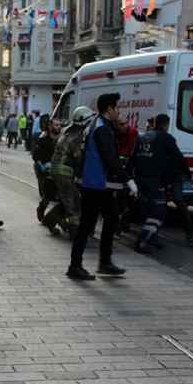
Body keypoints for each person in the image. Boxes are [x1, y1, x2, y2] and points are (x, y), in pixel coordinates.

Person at [69, 94, 135, 280]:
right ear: (109, 109)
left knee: (111, 217)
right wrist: (128, 180)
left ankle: (104, 262)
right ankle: (76, 266)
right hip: (94, 183)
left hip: (97, 182)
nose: (119, 111)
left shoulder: (99, 124)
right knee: (87, 224)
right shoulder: (101, 130)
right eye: (117, 108)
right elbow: (110, 157)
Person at [130, 113, 193, 253]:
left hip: (140, 179)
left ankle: (152, 238)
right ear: (166, 124)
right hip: (155, 180)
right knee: (159, 212)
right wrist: (188, 173)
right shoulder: (166, 138)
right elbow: (178, 157)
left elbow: (133, 157)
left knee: (147, 210)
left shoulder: (142, 137)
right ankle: (143, 241)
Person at [46, 107, 95, 237]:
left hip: (57, 169)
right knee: (73, 201)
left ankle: (50, 220)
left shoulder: (66, 130)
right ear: (83, 121)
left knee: (67, 198)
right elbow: (77, 156)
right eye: (89, 121)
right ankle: (74, 230)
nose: (90, 124)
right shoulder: (77, 136)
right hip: (64, 171)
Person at [33, 117, 62, 228]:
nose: (58, 127)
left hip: (59, 170)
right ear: (50, 127)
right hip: (46, 171)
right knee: (49, 194)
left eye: (59, 125)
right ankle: (41, 208)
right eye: (56, 125)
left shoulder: (62, 140)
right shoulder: (43, 139)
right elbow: (36, 156)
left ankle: (57, 218)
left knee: (60, 195)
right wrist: (43, 167)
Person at [114, 115, 139, 234]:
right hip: (117, 169)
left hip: (128, 168)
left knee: (129, 199)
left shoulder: (133, 133)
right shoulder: (114, 132)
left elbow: (132, 151)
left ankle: (124, 222)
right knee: (119, 199)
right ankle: (119, 224)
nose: (124, 126)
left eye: (125, 123)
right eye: (121, 124)